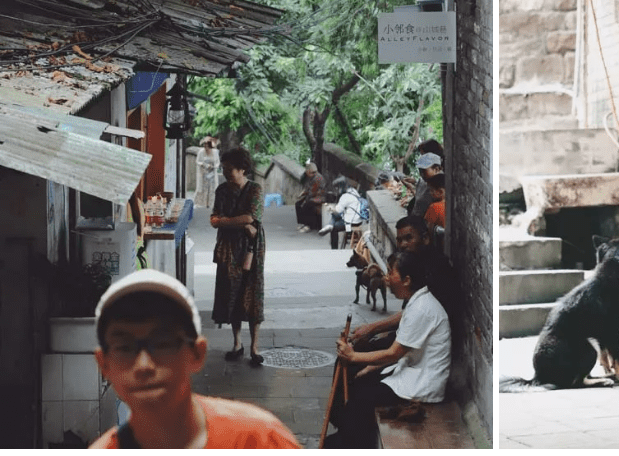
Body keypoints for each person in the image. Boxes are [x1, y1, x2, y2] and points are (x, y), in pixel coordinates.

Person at [90, 268, 301, 448]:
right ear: (103, 364)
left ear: (197, 353)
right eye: (125, 348)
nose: (144, 365)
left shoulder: (258, 439)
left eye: (163, 344)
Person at [328, 251, 451, 449]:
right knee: (357, 382)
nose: (386, 278)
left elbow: (394, 353)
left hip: (421, 384)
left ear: (407, 280)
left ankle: (351, 444)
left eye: (390, 273)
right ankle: (348, 438)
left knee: (359, 400)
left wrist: (353, 356)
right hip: (410, 371)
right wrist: (367, 366)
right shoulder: (417, 302)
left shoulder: (422, 308)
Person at [348, 215, 457, 354]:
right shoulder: (411, 263)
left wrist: (373, 328)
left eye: (409, 238)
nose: (403, 244)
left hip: (425, 342)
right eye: (399, 240)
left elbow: (418, 314)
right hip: (413, 331)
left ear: (425, 239)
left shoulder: (436, 268)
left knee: (358, 354)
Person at [210, 146, 267, 367]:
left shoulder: (255, 189)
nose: (225, 173)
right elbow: (215, 218)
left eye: (230, 169)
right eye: (224, 169)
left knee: (252, 293)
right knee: (231, 293)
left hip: (252, 248)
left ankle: (254, 346)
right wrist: (238, 222)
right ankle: (237, 343)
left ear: (243, 169)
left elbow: (251, 216)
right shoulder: (221, 191)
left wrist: (225, 221)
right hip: (228, 248)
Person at [294, 161, 326, 233]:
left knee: (307, 204)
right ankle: (302, 223)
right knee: (298, 204)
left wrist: (305, 196)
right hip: (312, 195)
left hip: (319, 197)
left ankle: (308, 225)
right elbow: (308, 188)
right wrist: (302, 194)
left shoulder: (318, 178)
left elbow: (313, 192)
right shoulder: (310, 178)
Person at [410, 152, 443, 219]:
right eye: (420, 171)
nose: (421, 174)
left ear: (436, 169)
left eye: (423, 171)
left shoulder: (443, 186)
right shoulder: (422, 182)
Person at [194, 137, 220, 210]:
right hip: (204, 173)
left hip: (212, 174)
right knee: (203, 188)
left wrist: (214, 166)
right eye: (205, 146)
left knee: (212, 189)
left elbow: (217, 162)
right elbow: (197, 161)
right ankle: (202, 203)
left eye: (208, 146)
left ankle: (211, 203)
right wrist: (203, 164)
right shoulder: (201, 152)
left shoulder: (215, 152)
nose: (206, 148)